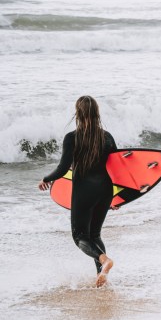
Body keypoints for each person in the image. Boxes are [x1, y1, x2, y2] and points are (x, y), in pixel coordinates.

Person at [38, 95, 118, 287]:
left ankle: (104, 261)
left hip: (84, 191)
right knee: (95, 235)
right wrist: (116, 196)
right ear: (96, 113)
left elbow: (63, 168)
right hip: (105, 190)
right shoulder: (106, 137)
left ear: (78, 114)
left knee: (80, 236)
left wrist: (46, 179)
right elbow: (117, 168)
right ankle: (102, 277)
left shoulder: (72, 138)